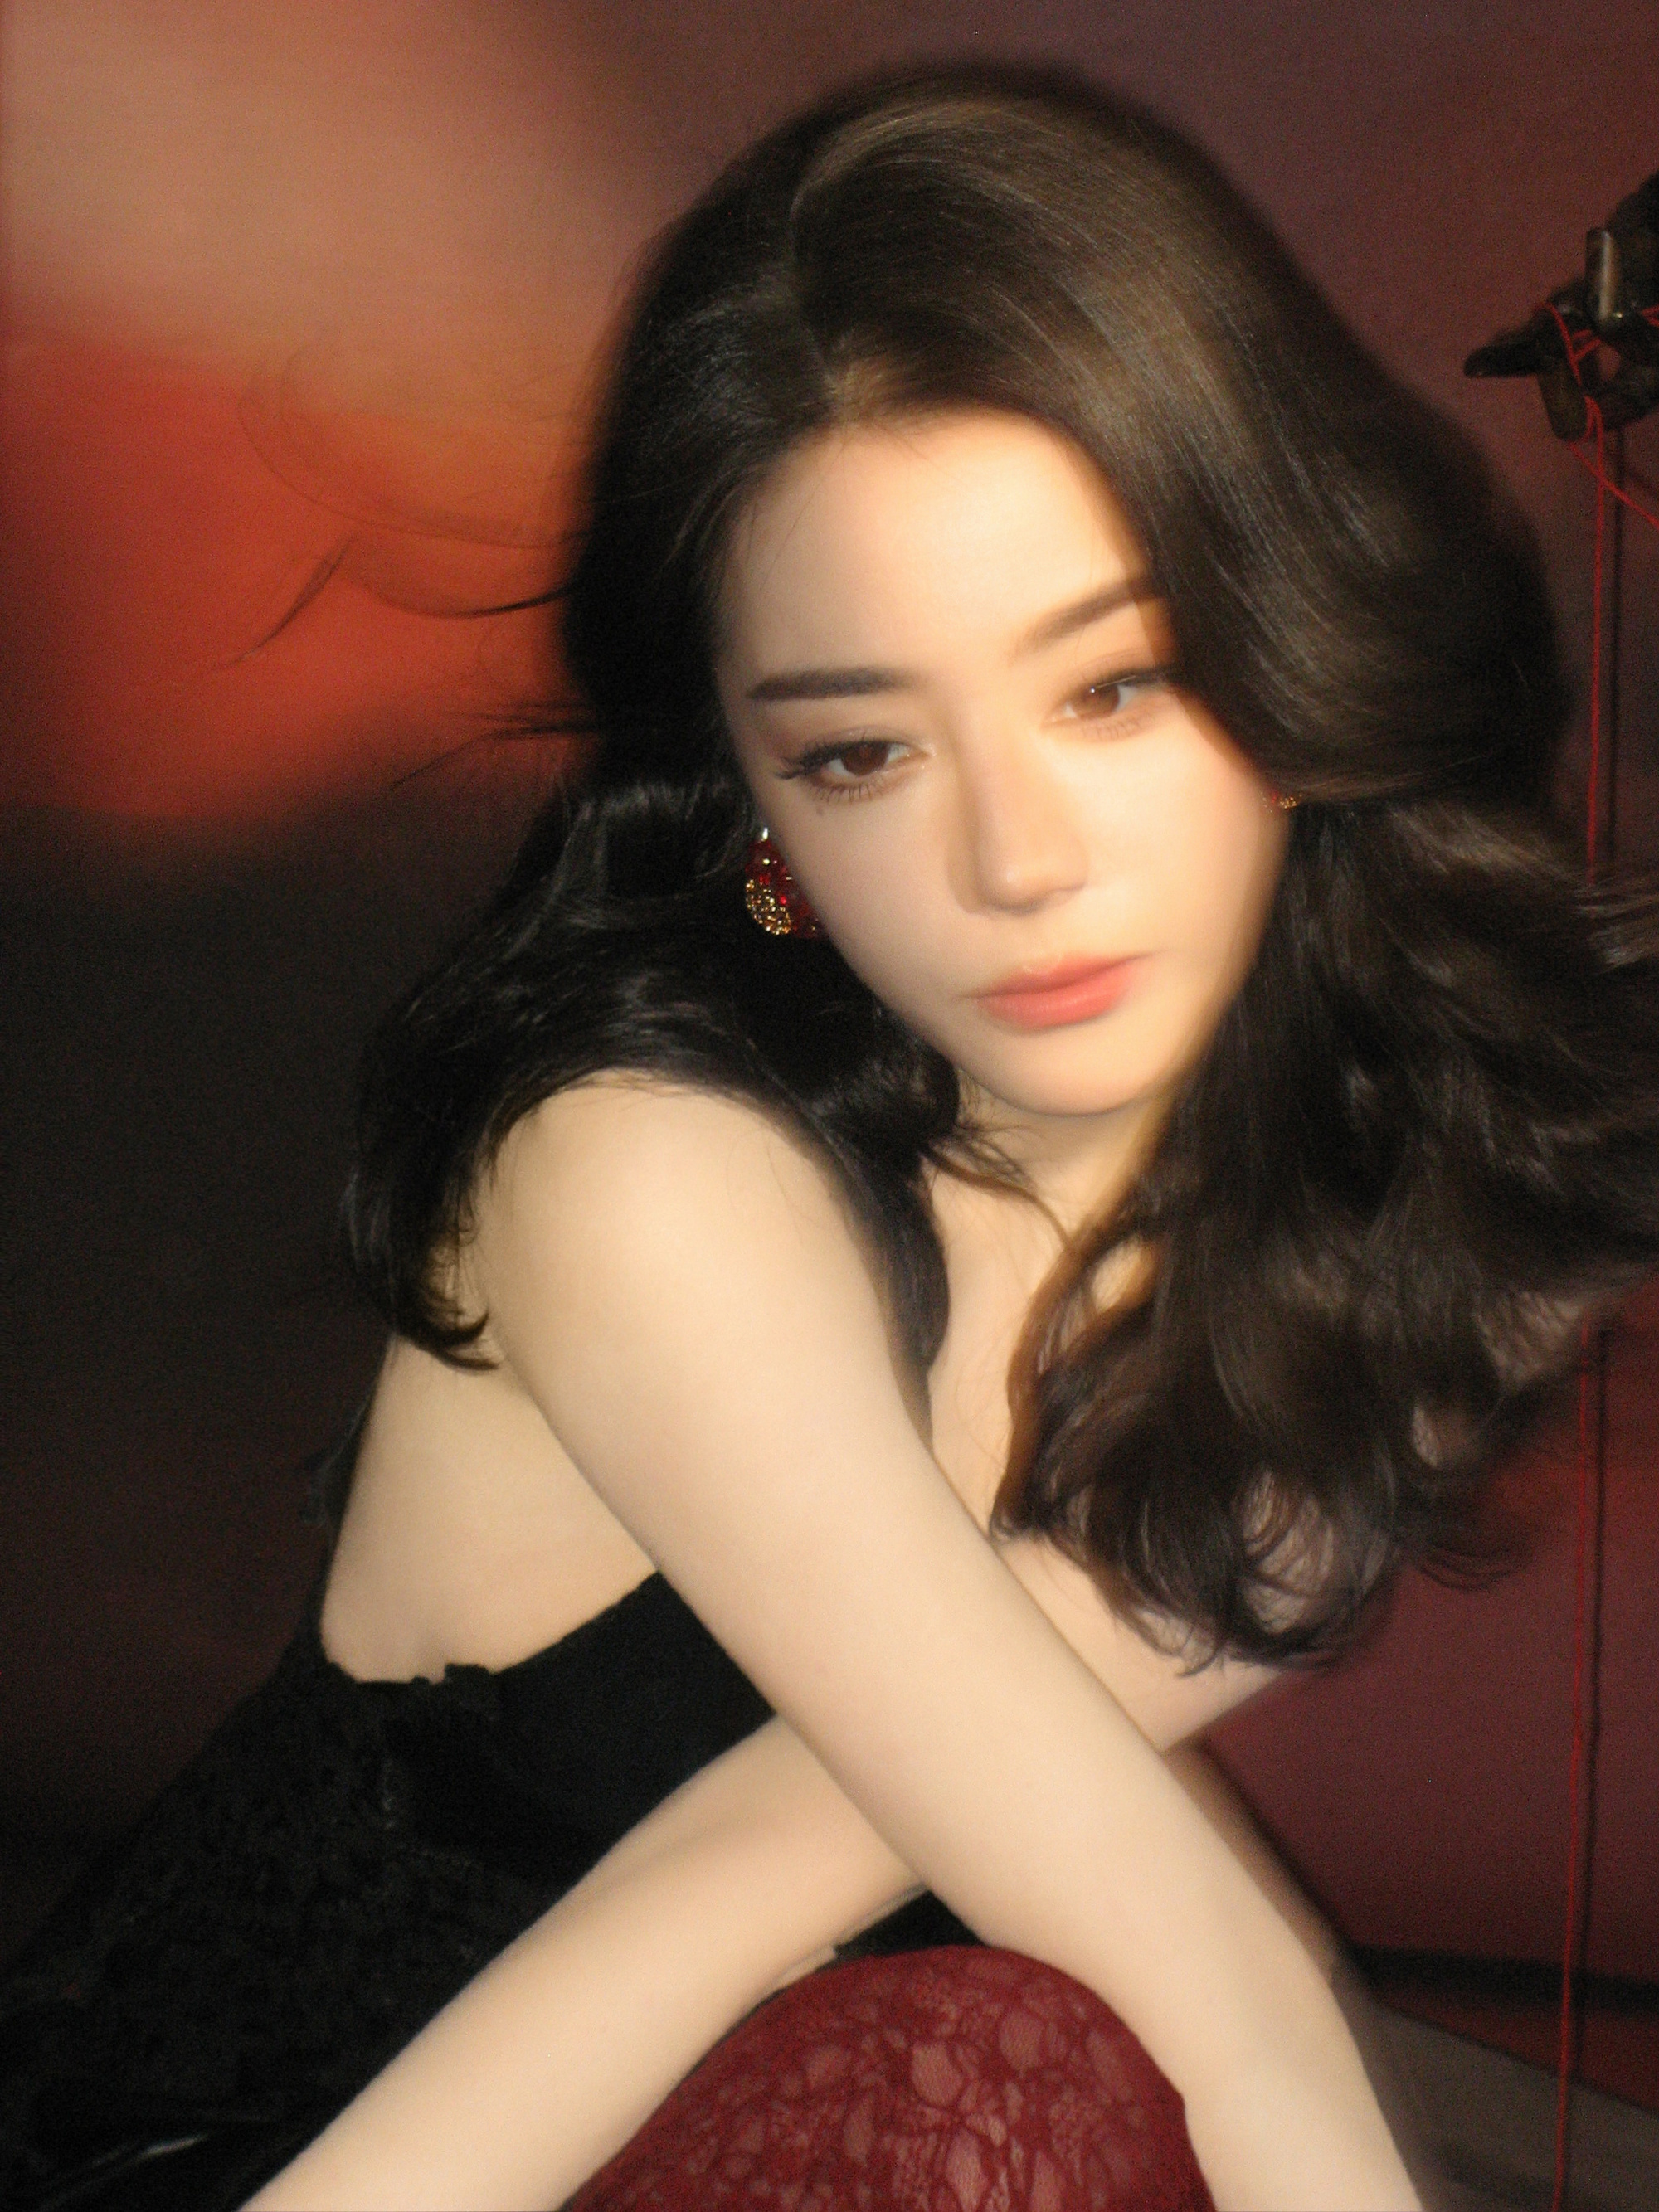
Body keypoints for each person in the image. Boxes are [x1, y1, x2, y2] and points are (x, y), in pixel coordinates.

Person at [6, 61, 1658, 2212]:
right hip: (307, 2142)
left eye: (1113, 686)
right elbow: (1198, 2003)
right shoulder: (636, 1168)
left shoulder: (1394, 1200)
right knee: (1020, 2065)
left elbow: (804, 1850)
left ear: (1296, 648)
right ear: (758, 806)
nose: (1017, 862)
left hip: (797, 2074)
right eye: (865, 750)